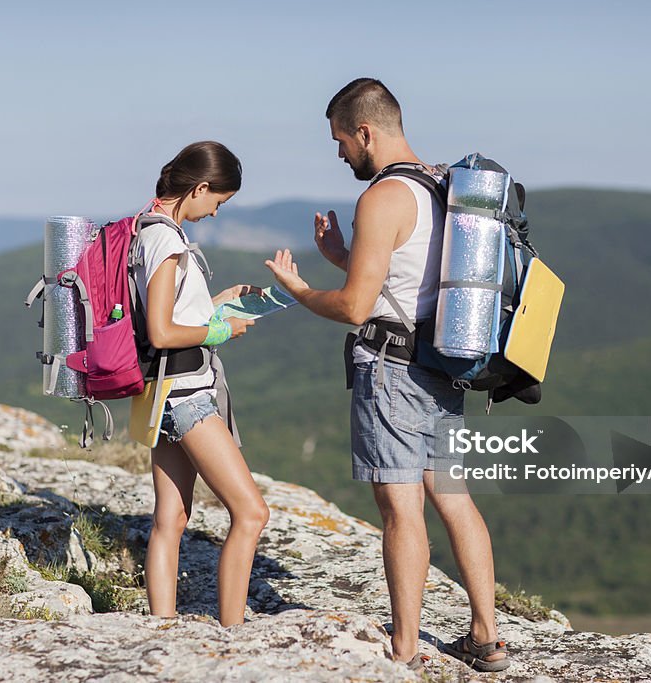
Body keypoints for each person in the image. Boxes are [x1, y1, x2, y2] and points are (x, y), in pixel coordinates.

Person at [265, 79, 509, 672]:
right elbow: (412, 279)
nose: (340, 153)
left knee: (401, 510)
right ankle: (486, 634)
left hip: (392, 373)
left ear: (365, 132)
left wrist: (299, 289)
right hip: (442, 362)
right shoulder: (441, 184)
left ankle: (403, 649)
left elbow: (354, 307)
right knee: (454, 499)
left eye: (341, 140)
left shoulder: (380, 198)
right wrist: (345, 257)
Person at [135, 141, 270, 627]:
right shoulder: (168, 242)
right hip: (187, 396)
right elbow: (163, 332)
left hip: (160, 393)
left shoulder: (144, 229)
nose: (214, 213)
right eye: (218, 202)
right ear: (200, 188)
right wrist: (220, 330)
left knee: (170, 518)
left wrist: (219, 303)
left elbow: (169, 316)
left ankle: (164, 627)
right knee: (251, 513)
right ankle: (232, 631)